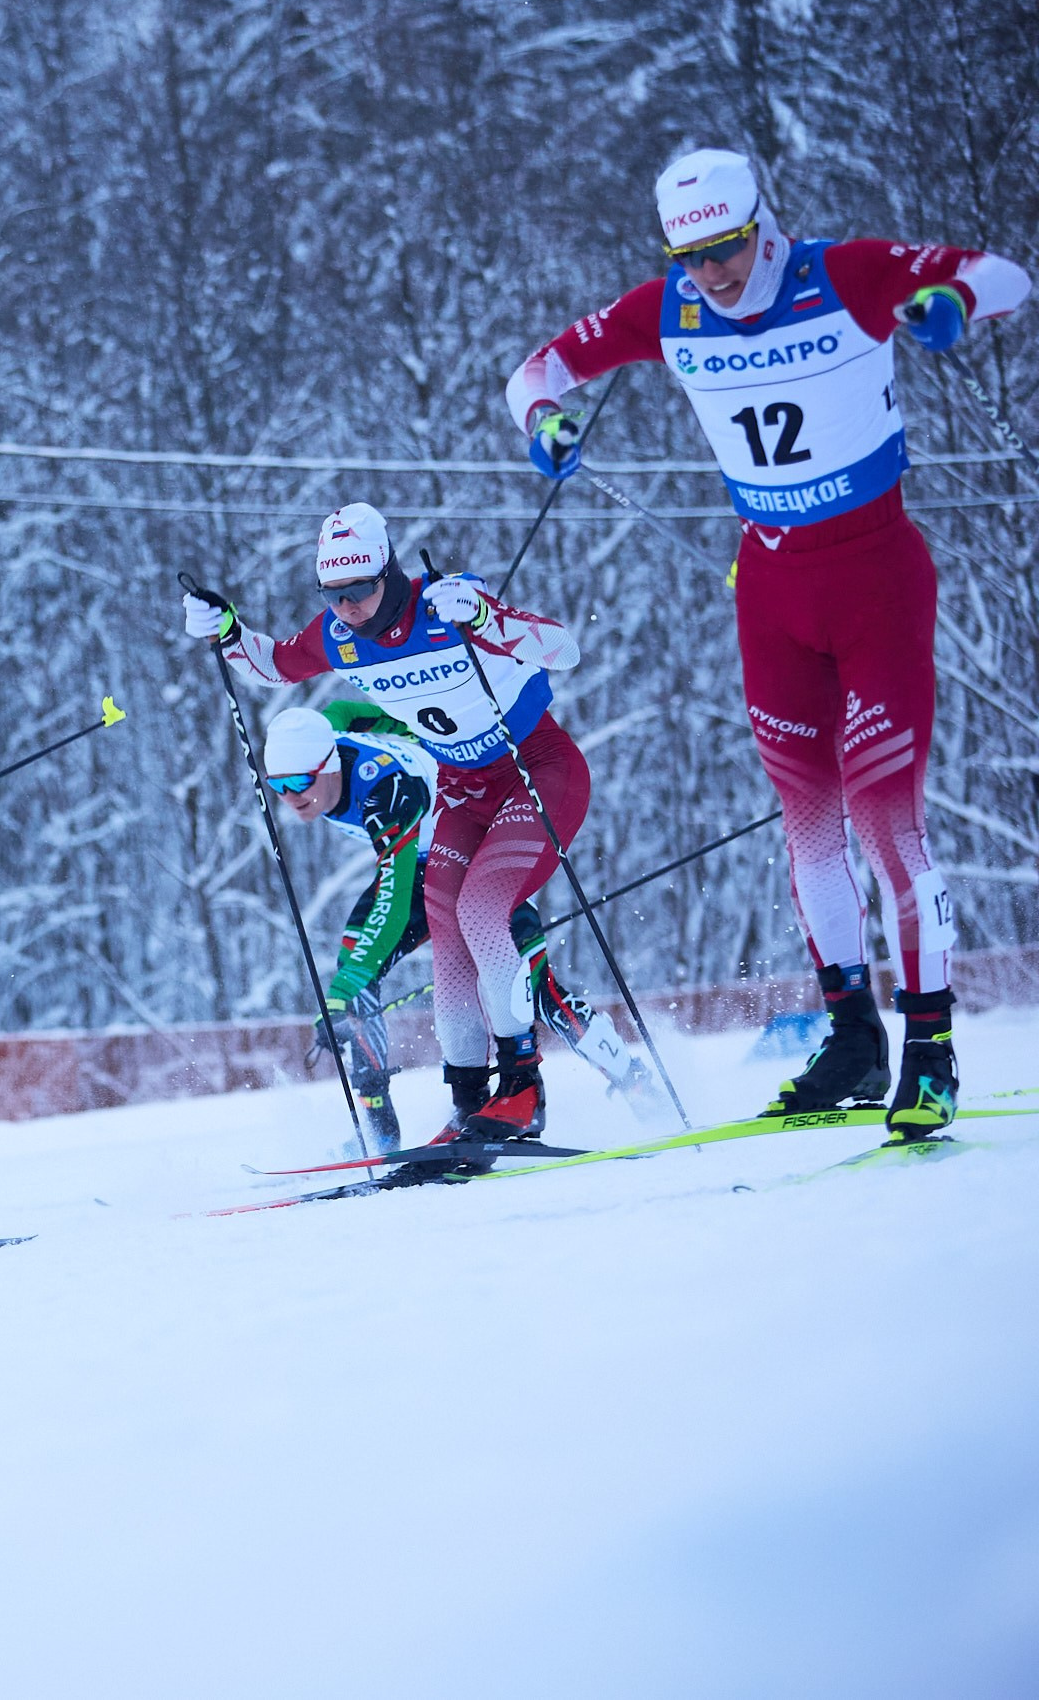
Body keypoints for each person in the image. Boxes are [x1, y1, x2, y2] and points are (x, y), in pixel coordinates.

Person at [503, 147, 1029, 1138]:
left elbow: (1005, 276)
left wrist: (950, 303)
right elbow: (535, 370)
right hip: (771, 590)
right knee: (808, 828)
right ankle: (850, 1038)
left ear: (763, 225)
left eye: (728, 250)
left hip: (873, 575)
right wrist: (545, 420)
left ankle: (928, 1051)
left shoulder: (846, 273)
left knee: (885, 824)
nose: (712, 275)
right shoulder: (669, 308)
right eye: (690, 257)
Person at [184, 502, 587, 1143]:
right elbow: (271, 664)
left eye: (362, 591)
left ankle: (524, 1089)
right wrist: (227, 631)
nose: (349, 607)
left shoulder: (447, 603)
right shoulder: (337, 635)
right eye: (334, 595)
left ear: (391, 574)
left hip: (536, 768)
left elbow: (562, 648)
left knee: (484, 911)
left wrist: (486, 617)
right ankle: (469, 1101)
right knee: (449, 936)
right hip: (462, 789)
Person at [261, 701, 652, 1154]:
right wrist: (412, 731)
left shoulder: (387, 792)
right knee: (354, 970)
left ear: (328, 764)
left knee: (530, 984)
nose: (290, 796)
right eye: (278, 786)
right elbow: (343, 710)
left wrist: (343, 990)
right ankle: (381, 1132)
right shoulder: (315, 736)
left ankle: (634, 1082)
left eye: (300, 782)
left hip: (470, 848)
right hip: (417, 861)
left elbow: (391, 902)